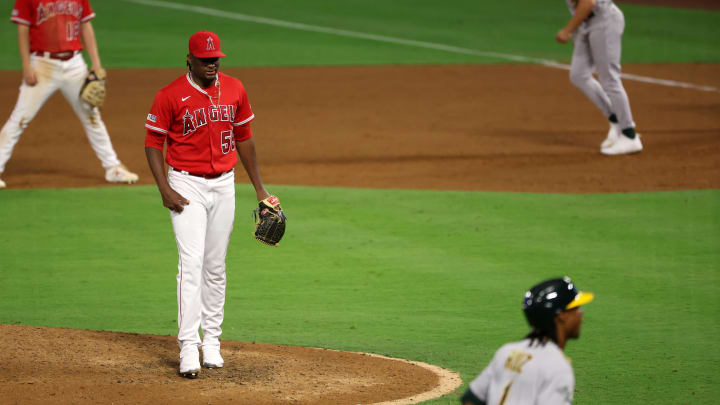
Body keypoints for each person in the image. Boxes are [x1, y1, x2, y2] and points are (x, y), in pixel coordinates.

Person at [144, 30, 277, 378]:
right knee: (191, 263)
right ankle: (188, 345)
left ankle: (212, 341)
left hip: (224, 185)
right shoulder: (169, 95)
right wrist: (164, 189)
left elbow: (244, 139)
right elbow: (152, 143)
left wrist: (261, 191)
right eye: (205, 59)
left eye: (216, 58)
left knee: (215, 266)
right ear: (189, 59)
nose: (212, 64)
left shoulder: (234, 88)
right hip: (186, 184)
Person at [0, 0, 138, 189]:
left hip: (75, 65)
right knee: (20, 118)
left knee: (92, 117)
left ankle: (113, 167)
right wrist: (26, 65)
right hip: (42, 64)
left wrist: (96, 63)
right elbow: (23, 29)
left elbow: (86, 25)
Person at [460, 277, 594, 405]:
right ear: (561, 316)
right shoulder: (557, 366)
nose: (581, 313)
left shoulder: (507, 352)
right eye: (576, 308)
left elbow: (470, 399)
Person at [556, 0, 642, 155]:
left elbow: (588, 3)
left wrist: (567, 30)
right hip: (586, 24)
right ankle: (615, 119)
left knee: (609, 79)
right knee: (579, 75)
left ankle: (630, 136)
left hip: (604, 20)